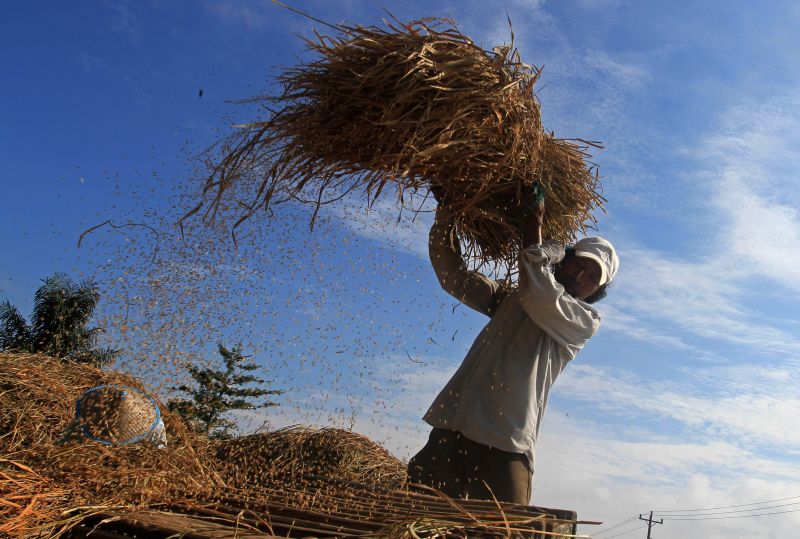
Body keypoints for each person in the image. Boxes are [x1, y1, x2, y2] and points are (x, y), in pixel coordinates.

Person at [407, 194, 619, 505]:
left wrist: (537, 231)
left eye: (592, 277)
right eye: (579, 264)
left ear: (597, 292)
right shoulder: (514, 298)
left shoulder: (581, 320)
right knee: (416, 513)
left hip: (504, 443)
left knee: (504, 526)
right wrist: (447, 215)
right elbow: (454, 277)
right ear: (567, 259)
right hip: (453, 426)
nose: (579, 276)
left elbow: (537, 289)